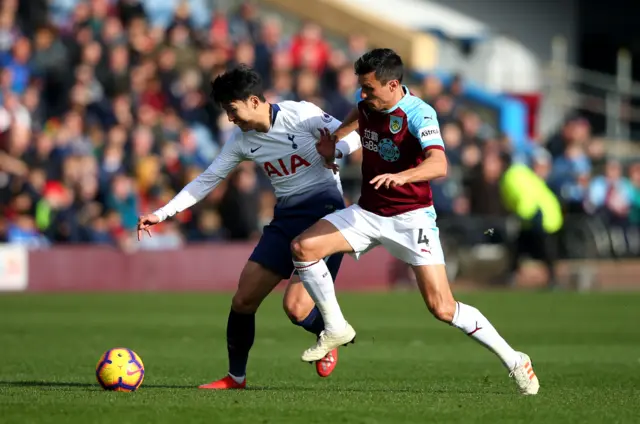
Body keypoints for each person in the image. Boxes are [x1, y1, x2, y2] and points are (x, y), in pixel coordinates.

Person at [290, 49, 540, 395]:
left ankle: (515, 360)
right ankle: (334, 327)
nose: (363, 95)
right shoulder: (366, 106)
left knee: (442, 307)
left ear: (393, 84)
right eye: (360, 88)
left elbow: (439, 164)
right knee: (303, 247)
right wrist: (334, 146)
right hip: (368, 212)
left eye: (369, 89)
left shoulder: (419, 114)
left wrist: (404, 177)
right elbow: (353, 122)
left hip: (411, 219)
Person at [136, 65, 360, 389]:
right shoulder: (241, 141)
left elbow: (350, 136)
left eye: (232, 109)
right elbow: (208, 179)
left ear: (254, 101)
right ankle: (236, 377)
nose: (230, 118)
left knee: (295, 309)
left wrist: (335, 148)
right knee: (242, 300)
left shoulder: (302, 115)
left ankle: (331, 330)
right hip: (286, 219)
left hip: (326, 216)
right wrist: (163, 213)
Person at [499, 153, 563, 288]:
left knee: (539, 248)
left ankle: (552, 280)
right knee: (522, 247)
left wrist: (520, 216)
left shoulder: (512, 175)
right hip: (544, 215)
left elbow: (524, 197)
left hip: (537, 216)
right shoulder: (521, 172)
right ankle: (551, 279)